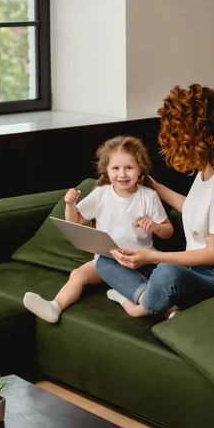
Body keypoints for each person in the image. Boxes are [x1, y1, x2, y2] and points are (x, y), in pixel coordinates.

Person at [97, 83, 214, 318]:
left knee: (166, 273)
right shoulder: (209, 168)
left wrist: (153, 257)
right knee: (104, 262)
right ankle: (151, 300)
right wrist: (155, 186)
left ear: (196, 137)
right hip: (201, 271)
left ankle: (136, 304)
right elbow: (196, 209)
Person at [23, 135, 174, 323]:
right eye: (115, 168)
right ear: (106, 170)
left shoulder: (148, 196)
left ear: (140, 169)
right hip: (108, 259)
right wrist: (70, 205)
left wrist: (155, 226)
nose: (122, 174)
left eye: (129, 168)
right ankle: (55, 306)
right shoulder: (101, 194)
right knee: (78, 274)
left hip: (141, 259)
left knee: (155, 283)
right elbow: (75, 221)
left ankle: (163, 310)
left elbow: (168, 231)